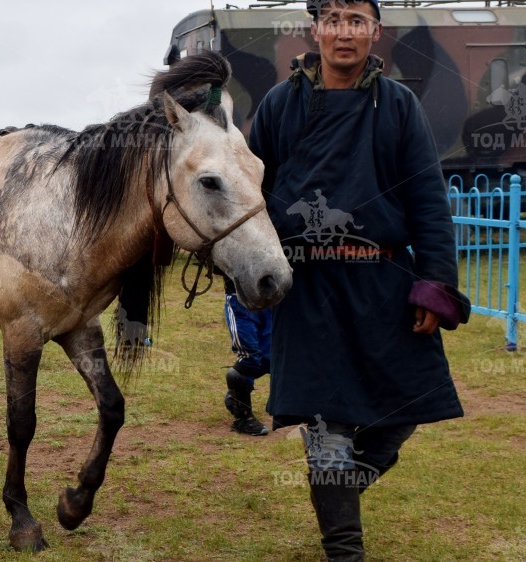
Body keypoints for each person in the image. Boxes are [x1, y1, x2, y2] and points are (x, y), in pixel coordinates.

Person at [250, 1, 470, 559]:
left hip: (384, 282)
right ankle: (343, 547)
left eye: (356, 20)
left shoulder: (398, 105)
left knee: (407, 407)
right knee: (326, 423)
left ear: (375, 32)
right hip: (309, 288)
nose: (344, 33)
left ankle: (338, 488)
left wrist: (436, 281)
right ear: (314, 30)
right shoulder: (280, 104)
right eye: (333, 20)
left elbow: (428, 201)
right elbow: (253, 195)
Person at [221, 275, 272, 436]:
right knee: (249, 357)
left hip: (269, 297)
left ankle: (236, 394)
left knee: (271, 357)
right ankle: (243, 419)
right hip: (240, 299)